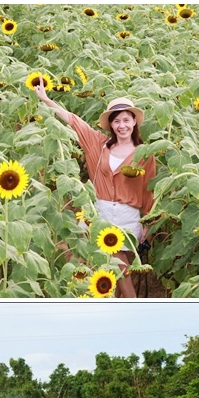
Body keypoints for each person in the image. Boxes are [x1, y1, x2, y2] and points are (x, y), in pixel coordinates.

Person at [34, 75, 156, 298]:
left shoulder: (144, 154)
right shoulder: (98, 143)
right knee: (90, 266)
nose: (122, 126)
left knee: (121, 269)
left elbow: (149, 190)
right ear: (110, 124)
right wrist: (45, 99)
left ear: (134, 122)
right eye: (117, 121)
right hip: (98, 211)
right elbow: (73, 121)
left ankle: (132, 308)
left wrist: (148, 225)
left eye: (126, 120)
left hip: (127, 216)